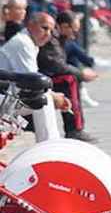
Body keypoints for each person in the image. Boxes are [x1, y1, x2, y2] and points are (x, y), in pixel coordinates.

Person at [0, 13, 72, 125]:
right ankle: (49, 140)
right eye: (44, 28)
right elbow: (32, 82)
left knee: (43, 96)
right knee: (41, 99)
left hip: (8, 93)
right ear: (30, 25)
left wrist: (55, 96)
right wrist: (54, 97)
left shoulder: (30, 42)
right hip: (4, 94)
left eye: (51, 31)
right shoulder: (22, 43)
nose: (48, 34)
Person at [40, 12, 99, 143]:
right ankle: (74, 129)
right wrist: (81, 74)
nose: (75, 34)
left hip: (45, 75)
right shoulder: (52, 39)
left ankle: (75, 128)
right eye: (74, 29)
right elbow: (56, 65)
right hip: (42, 77)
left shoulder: (59, 38)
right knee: (69, 79)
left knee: (71, 76)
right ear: (65, 26)